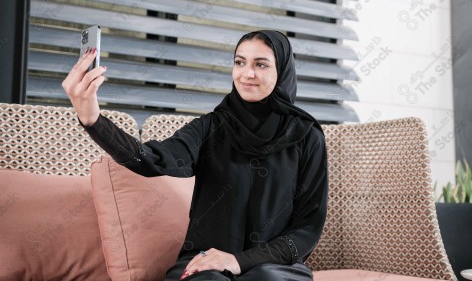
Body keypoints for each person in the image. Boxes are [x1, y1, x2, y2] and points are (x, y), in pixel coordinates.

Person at [62, 30, 328, 281]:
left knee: (264, 277)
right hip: (206, 263)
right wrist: (92, 119)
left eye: (261, 64)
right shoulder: (212, 127)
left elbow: (306, 229)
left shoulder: (307, 137)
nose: (247, 74)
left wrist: (238, 260)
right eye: (239, 62)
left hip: (275, 268)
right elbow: (152, 159)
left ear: (282, 71)